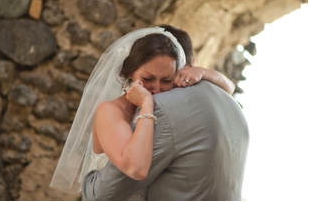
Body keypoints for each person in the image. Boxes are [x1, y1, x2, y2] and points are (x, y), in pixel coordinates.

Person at [51, 27, 248, 202]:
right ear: (130, 74)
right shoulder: (110, 111)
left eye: (167, 80)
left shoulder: (164, 110)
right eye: (147, 78)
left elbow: (227, 87)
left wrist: (203, 73)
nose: (157, 89)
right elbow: (136, 168)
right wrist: (146, 104)